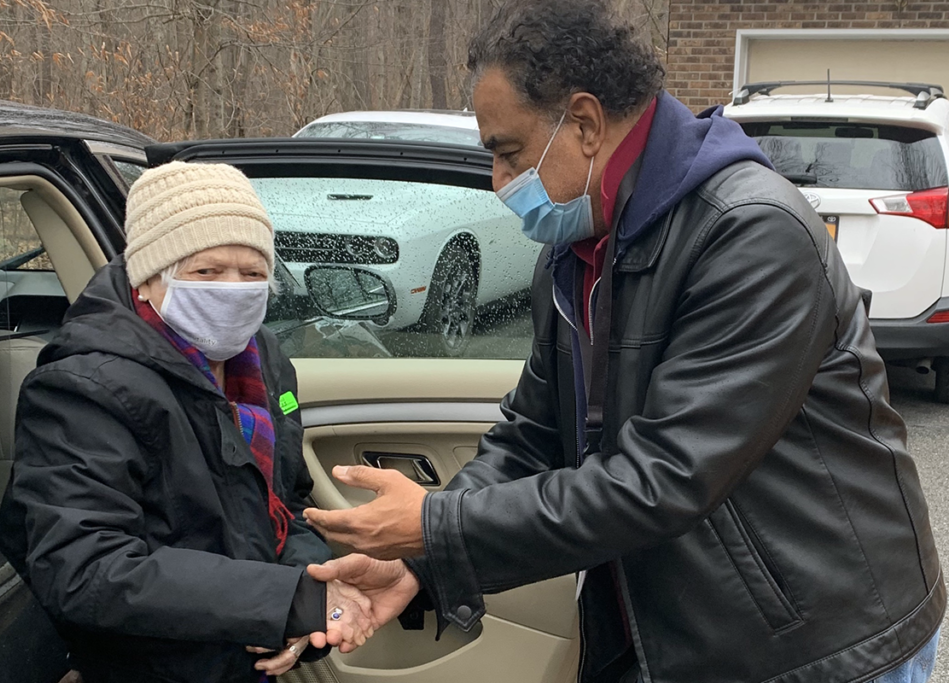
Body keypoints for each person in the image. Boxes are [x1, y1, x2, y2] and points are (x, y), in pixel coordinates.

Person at [301, 2, 945, 682]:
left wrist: (438, 526)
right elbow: (535, 433)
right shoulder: (576, 247)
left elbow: (665, 476)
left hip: (815, 643)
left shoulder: (750, 234)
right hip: (681, 627)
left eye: (509, 153)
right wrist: (422, 559)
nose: (498, 185)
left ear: (583, 122)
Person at [0, 161, 373, 683]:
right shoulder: (83, 388)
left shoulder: (262, 357)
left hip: (240, 657)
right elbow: (84, 569)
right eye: (207, 272)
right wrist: (285, 601)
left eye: (253, 272)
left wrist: (300, 606)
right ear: (148, 277)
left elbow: (284, 501)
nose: (234, 290)